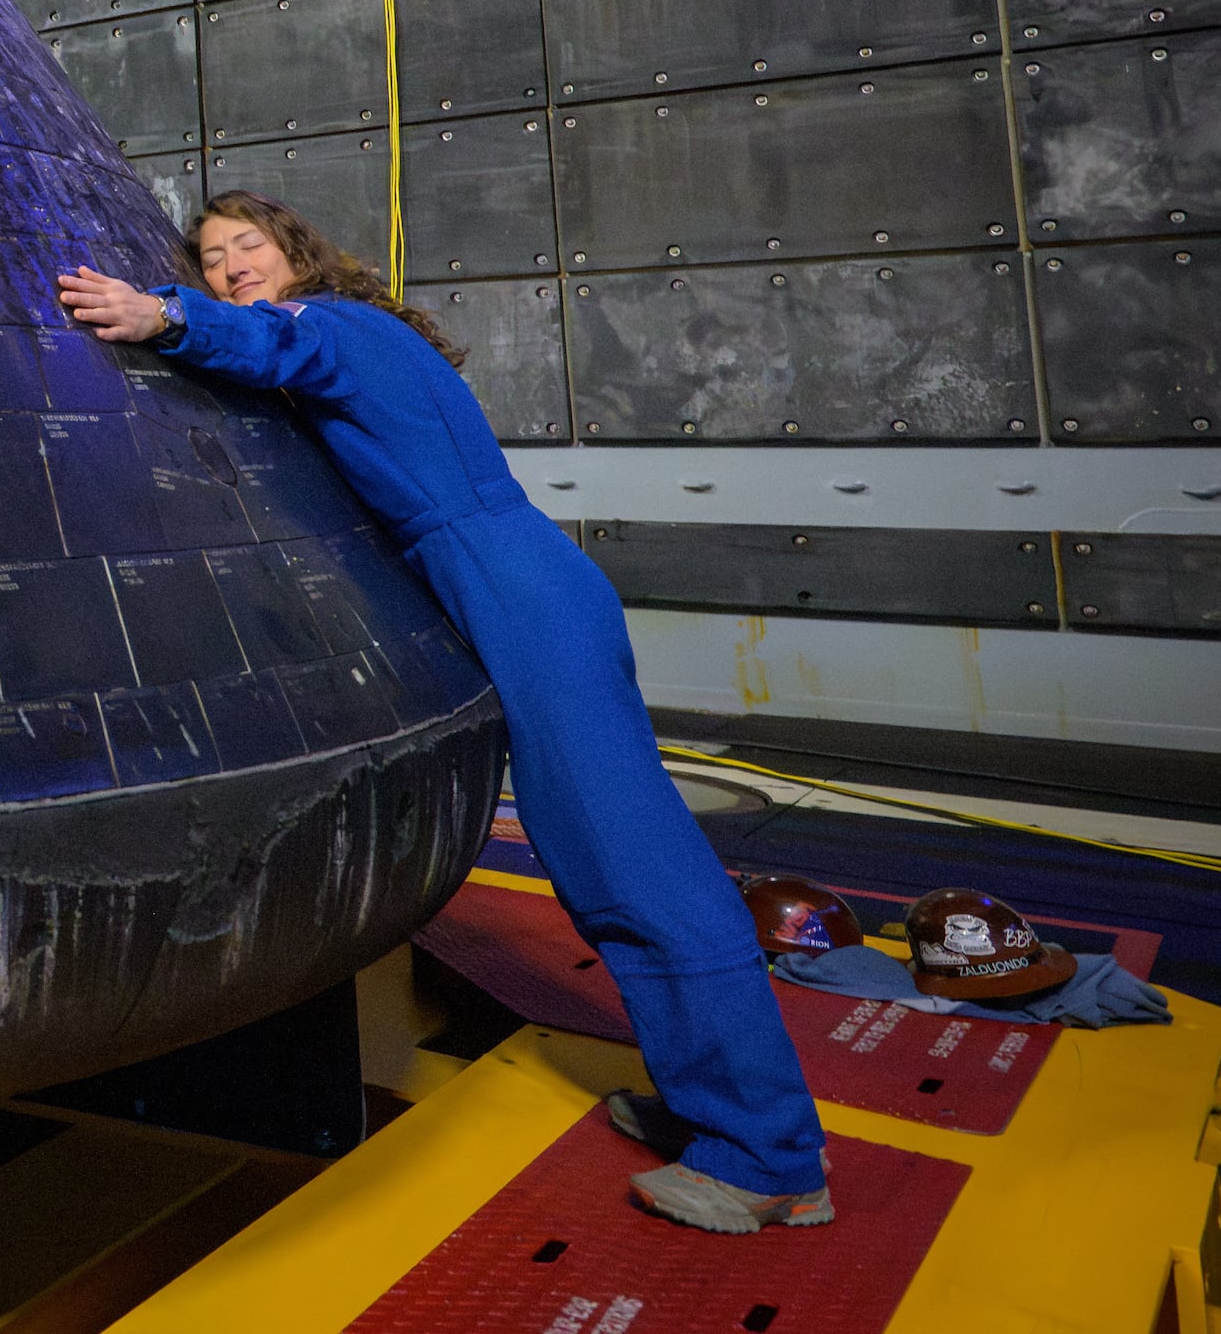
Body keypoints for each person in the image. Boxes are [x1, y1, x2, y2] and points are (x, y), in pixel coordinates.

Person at [57, 192, 833, 1236]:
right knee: (601, 860)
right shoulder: (360, 328)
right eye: (210, 258)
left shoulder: (331, 325)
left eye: (249, 245)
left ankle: (768, 1157)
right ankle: (712, 1107)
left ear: (297, 253)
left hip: (511, 588)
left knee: (633, 866)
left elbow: (280, 347)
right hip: (509, 581)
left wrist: (163, 315)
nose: (232, 265)